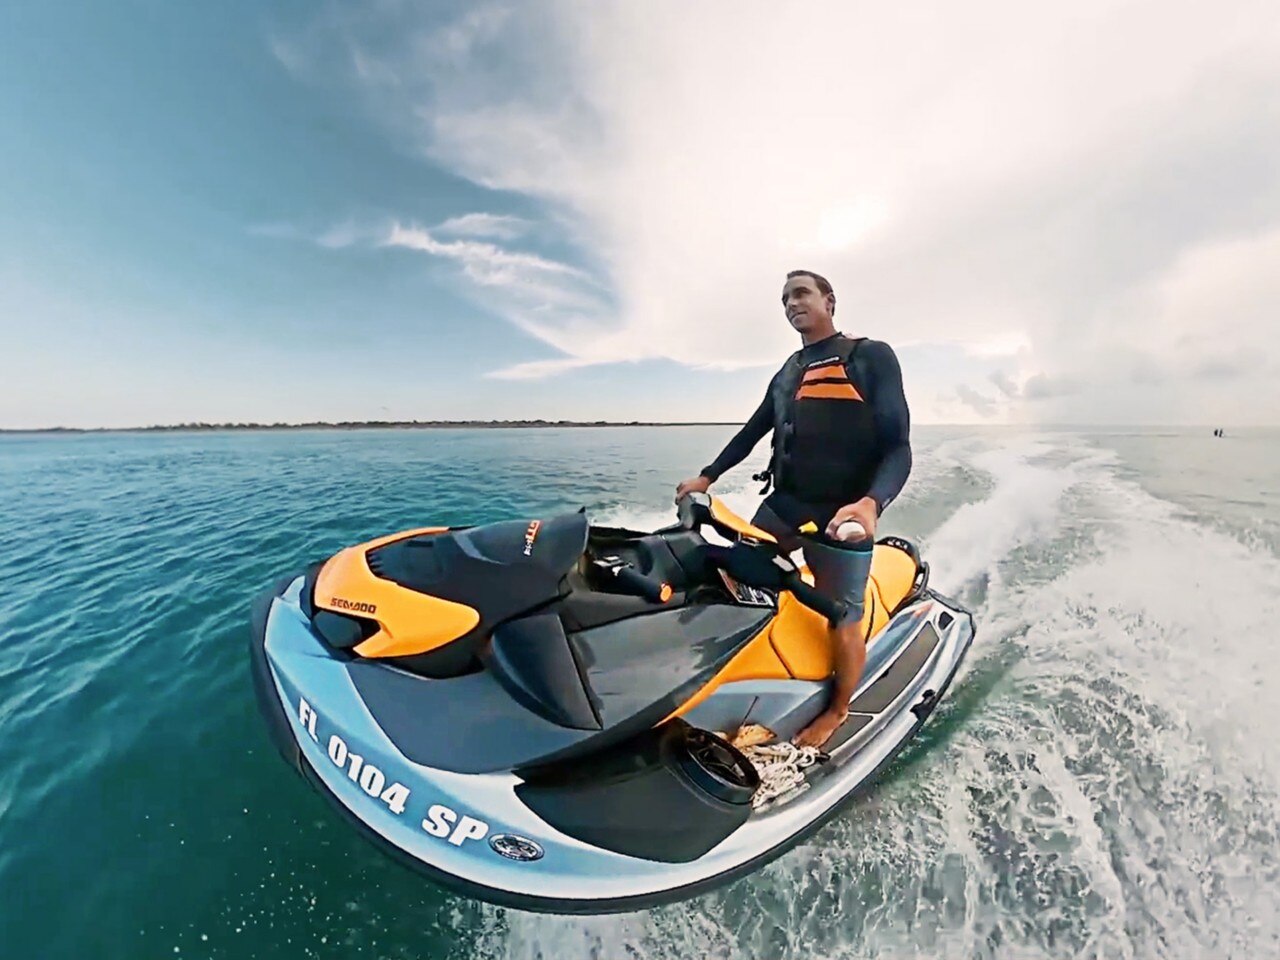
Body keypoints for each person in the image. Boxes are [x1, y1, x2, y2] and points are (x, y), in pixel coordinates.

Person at [674, 270, 911, 748]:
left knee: (842, 615)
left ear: (829, 301)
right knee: (735, 576)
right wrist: (707, 476)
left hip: (842, 516)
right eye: (785, 299)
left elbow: (899, 447)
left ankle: (837, 710)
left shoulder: (869, 356)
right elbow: (752, 431)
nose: (791, 304)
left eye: (801, 294)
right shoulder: (789, 370)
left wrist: (871, 504)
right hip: (784, 506)